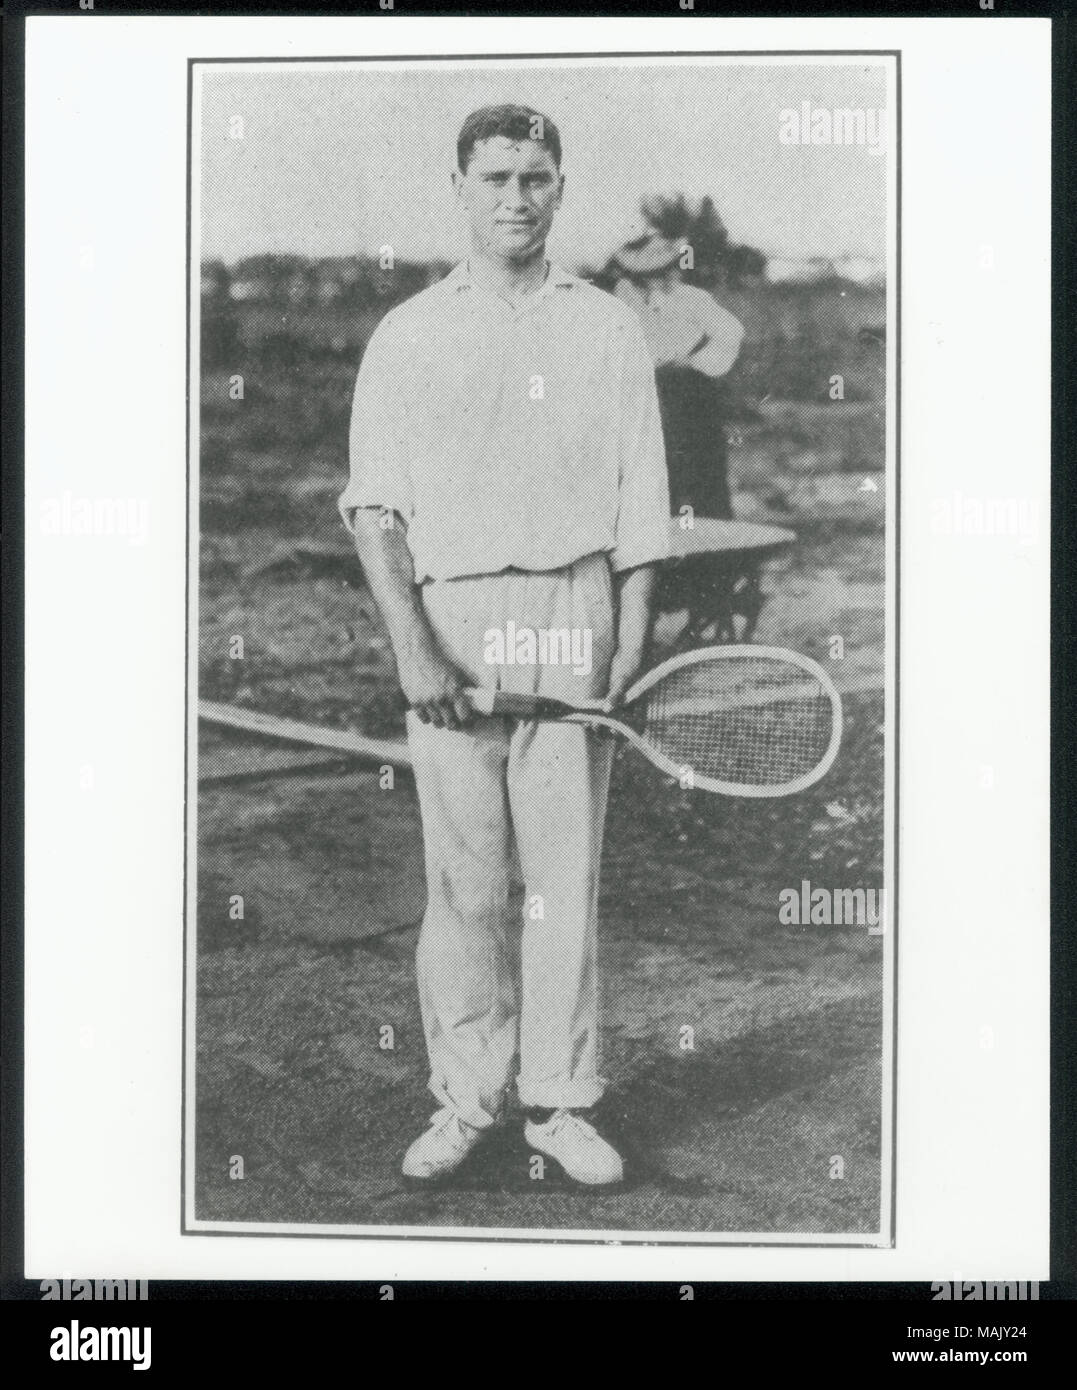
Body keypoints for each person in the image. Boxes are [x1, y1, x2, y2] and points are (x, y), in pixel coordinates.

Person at [338, 105, 670, 1185]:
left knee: (561, 882)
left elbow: (642, 499)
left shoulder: (607, 328)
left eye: (535, 177)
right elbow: (375, 511)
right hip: (456, 619)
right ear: (459, 189)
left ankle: (560, 1103)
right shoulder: (408, 333)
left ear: (560, 187)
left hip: (574, 614)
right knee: (466, 886)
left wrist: (629, 630)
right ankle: (466, 1098)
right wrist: (415, 650)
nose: (516, 198)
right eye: (496, 178)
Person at [610, 232, 744, 520]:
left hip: (690, 390)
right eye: (651, 273)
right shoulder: (620, 302)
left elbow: (731, 332)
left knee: (703, 468)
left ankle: (711, 530)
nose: (664, 277)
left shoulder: (690, 298)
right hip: (642, 392)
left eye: (666, 269)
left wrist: (696, 361)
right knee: (651, 470)